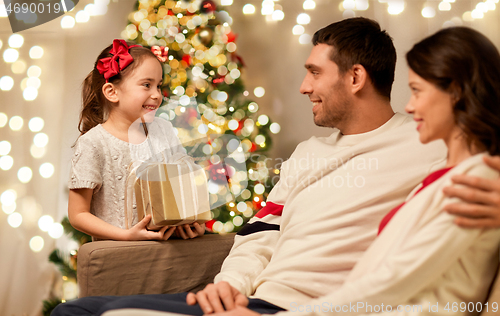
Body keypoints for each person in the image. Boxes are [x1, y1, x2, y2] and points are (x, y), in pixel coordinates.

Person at [51, 19, 500, 316]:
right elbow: (259, 236)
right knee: (76, 311)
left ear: (356, 77)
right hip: (247, 299)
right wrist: (228, 286)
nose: (303, 87)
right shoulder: (307, 152)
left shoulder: (428, 142)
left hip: (297, 309)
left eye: (314, 73)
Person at [67, 39, 205, 241]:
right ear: (112, 92)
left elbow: (182, 189)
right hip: (121, 257)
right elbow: (78, 214)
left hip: (169, 252)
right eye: (146, 85)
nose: (157, 95)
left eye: (158, 86)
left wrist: (193, 222)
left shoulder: (164, 130)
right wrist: (126, 235)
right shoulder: (94, 143)